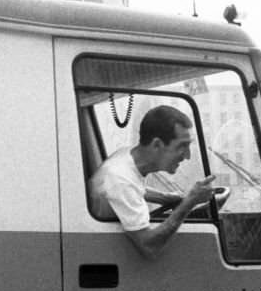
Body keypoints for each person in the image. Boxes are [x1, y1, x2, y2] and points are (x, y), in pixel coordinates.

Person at [90, 104, 217, 260]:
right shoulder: (120, 178)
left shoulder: (127, 157)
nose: (187, 156)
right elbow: (149, 246)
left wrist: (163, 197)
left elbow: (133, 188)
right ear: (157, 144)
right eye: (182, 146)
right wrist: (189, 203)